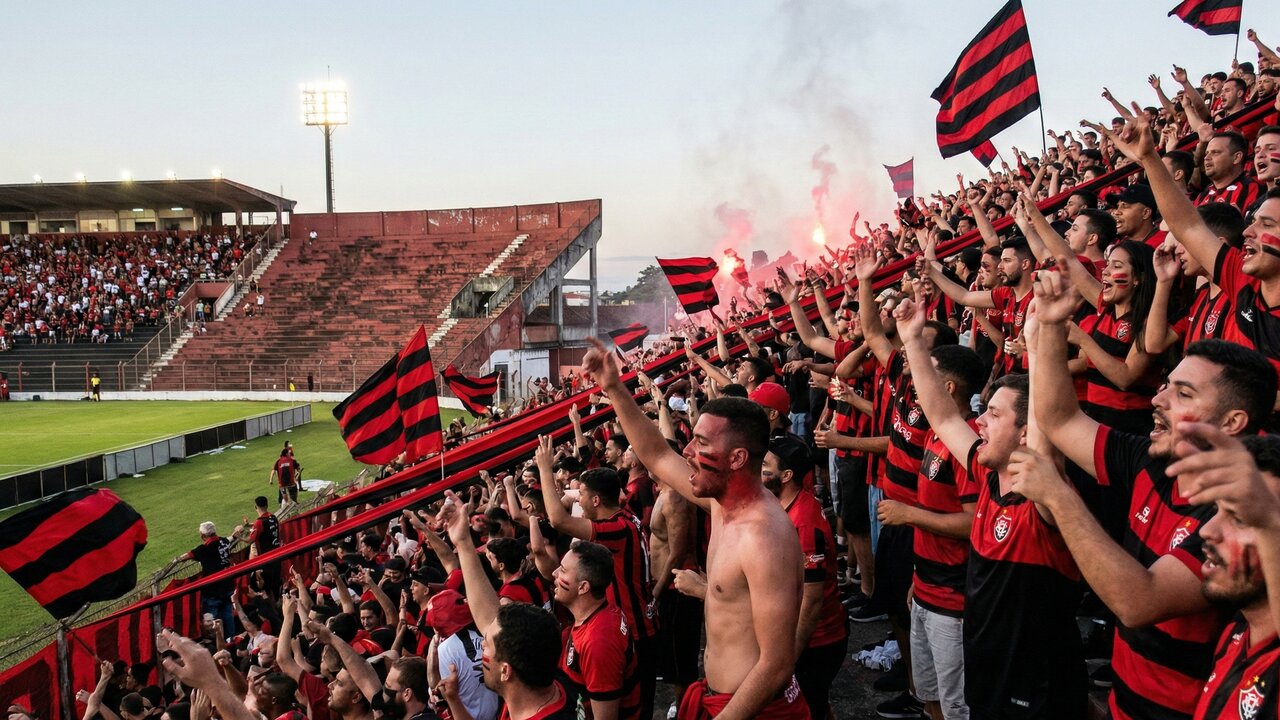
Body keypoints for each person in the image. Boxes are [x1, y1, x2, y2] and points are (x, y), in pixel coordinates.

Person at [581, 338, 808, 720]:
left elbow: (776, 664)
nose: (687, 451)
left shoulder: (765, 537)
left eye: (700, 443)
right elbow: (656, 454)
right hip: (722, 699)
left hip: (756, 710)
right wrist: (614, 389)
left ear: (736, 458)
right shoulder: (721, 503)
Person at [893, 295, 1086, 720]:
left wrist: (1039, 346)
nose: (979, 421)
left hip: (1033, 684)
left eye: (994, 415)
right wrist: (912, 342)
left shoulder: (1044, 496)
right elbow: (943, 418)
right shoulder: (987, 477)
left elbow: (1047, 428)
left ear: (1025, 434)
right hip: (986, 664)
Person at [537, 446, 657, 719]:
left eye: (582, 496)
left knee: (629, 707)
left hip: (634, 629)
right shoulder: (624, 513)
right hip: (638, 621)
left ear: (595, 501)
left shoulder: (616, 529)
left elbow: (558, 520)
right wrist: (569, 493)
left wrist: (545, 469)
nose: (578, 499)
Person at [764, 433, 848, 720]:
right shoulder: (789, 505)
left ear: (786, 475)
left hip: (817, 643)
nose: (759, 470)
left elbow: (811, 604)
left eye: (766, 465)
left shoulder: (803, 524)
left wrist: (787, 659)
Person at [168, 522, 235, 636]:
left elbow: (187, 556)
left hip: (213, 592)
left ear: (202, 536)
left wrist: (175, 560)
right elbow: (229, 539)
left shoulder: (203, 549)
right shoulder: (224, 541)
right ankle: (232, 642)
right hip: (228, 586)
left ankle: (218, 647)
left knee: (211, 623)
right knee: (228, 617)